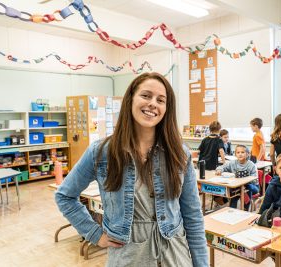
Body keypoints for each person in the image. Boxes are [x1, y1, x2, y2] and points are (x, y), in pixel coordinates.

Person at [55, 72, 208, 267]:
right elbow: (65, 196)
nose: (153, 103)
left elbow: (193, 217)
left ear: (166, 109)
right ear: (130, 99)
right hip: (128, 259)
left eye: (161, 100)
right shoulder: (102, 152)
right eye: (146, 95)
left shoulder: (179, 153)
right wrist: (95, 234)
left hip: (176, 258)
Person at [215, 145, 259, 210]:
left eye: (242, 152)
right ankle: (232, 210)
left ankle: (245, 209)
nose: (240, 154)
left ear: (247, 154)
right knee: (234, 193)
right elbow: (222, 167)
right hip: (238, 187)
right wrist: (219, 170)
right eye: (238, 152)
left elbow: (255, 180)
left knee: (247, 188)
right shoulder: (233, 163)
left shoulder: (251, 165)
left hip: (253, 186)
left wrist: (245, 182)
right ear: (235, 154)